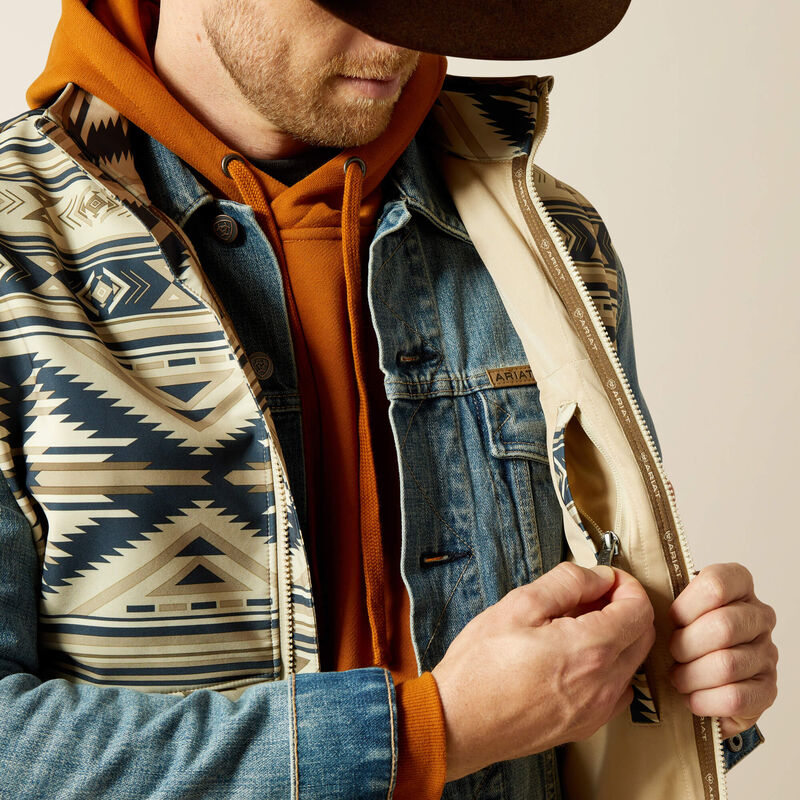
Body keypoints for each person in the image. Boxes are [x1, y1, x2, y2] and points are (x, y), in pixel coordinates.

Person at [0, 1, 777, 798]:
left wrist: (692, 682)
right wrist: (433, 733)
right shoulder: (13, 253)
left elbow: (605, 673)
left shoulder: (550, 238)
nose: (401, 37)